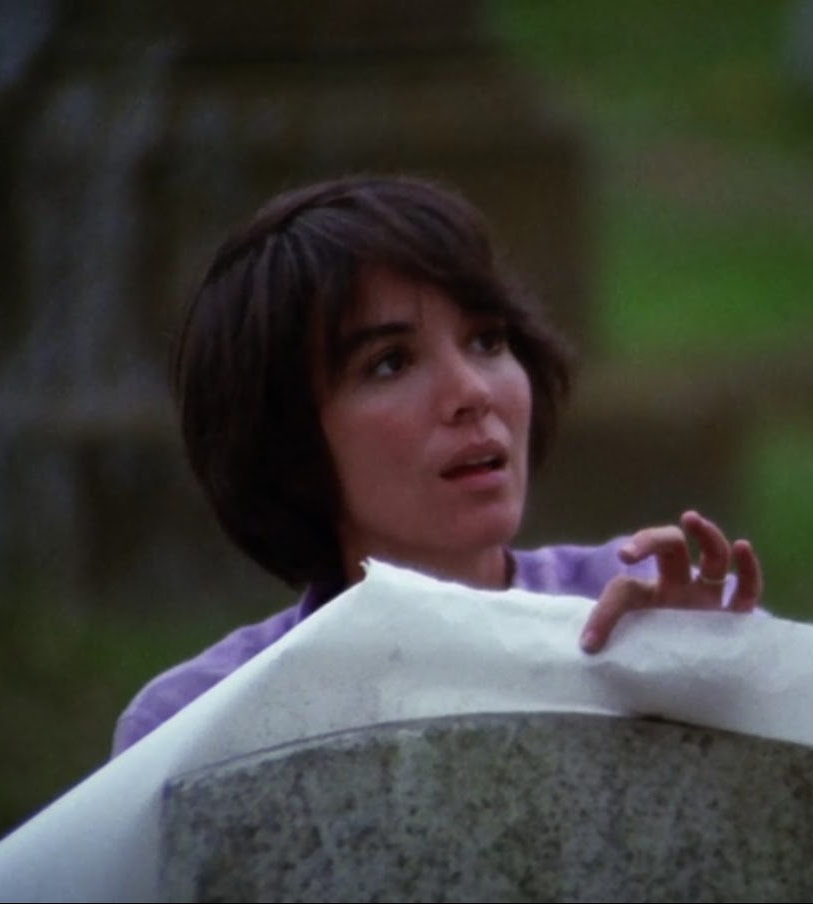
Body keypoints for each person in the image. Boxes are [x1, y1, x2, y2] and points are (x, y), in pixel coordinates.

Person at [112, 175, 763, 757]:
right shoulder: (195, 726)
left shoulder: (645, 607)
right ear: (289, 446)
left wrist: (717, 688)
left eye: (488, 340)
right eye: (390, 363)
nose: (472, 392)